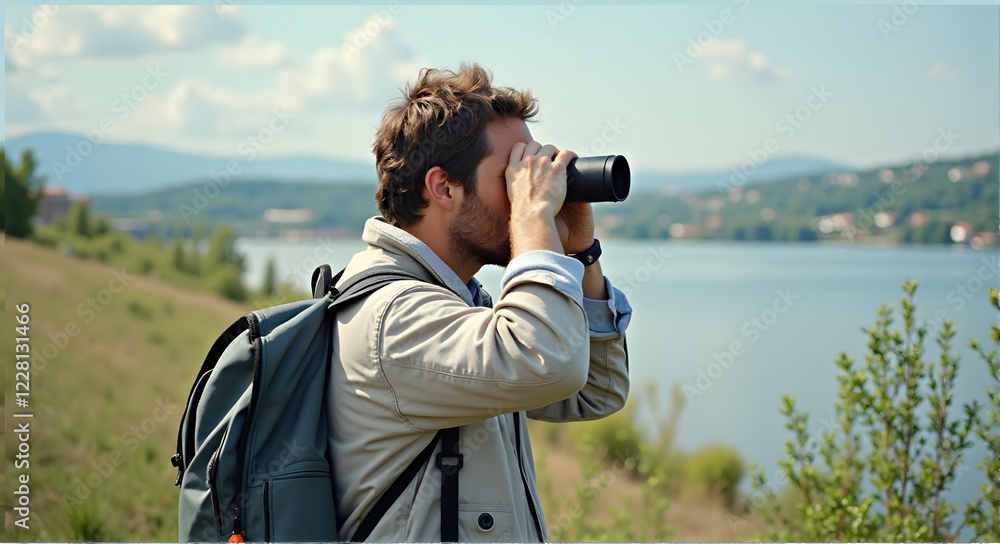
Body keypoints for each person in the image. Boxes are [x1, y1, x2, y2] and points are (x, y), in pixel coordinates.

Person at [328, 61, 632, 542]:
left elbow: (595, 391)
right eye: (513, 174)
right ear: (444, 187)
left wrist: (579, 252)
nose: (528, 191)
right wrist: (534, 221)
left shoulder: (456, 303)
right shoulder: (395, 316)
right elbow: (547, 362)